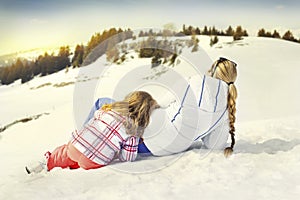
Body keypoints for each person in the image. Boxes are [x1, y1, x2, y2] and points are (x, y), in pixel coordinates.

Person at [26, 91, 159, 174]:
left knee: (67, 151)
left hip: (75, 147)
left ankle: (47, 162)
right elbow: (127, 158)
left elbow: (94, 119)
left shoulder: (107, 110)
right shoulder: (133, 133)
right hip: (92, 161)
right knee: (100, 152)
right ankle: (77, 162)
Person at [139, 57, 238, 158]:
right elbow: (214, 145)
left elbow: (160, 103)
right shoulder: (226, 108)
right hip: (167, 149)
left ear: (212, 72)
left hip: (147, 132)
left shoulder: (194, 80)